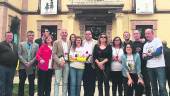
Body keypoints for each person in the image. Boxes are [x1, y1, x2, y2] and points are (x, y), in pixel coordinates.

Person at [143, 28, 168, 96]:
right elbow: (144, 57)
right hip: (149, 67)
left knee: (162, 86)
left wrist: (149, 54)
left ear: (152, 33)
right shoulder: (145, 45)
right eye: (146, 34)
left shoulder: (157, 40)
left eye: (148, 33)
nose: (147, 35)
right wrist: (153, 54)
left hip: (159, 66)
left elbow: (159, 52)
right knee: (153, 86)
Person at [18, 31, 39, 96]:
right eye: (30, 35)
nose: (31, 37)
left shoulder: (36, 45)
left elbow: (37, 55)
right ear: (27, 36)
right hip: (23, 66)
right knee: (21, 83)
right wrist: (25, 62)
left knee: (32, 83)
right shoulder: (21, 44)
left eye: (32, 35)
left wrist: (30, 62)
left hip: (31, 67)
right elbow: (19, 54)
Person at [133, 30, 151, 96]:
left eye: (137, 33)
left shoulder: (145, 43)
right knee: (137, 84)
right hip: (136, 67)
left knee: (147, 83)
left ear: (140, 35)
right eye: (134, 34)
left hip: (145, 66)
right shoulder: (132, 44)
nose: (136, 35)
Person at [0, 32, 18, 96]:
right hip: (3, 67)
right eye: (8, 36)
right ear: (5, 37)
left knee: (10, 83)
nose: (10, 37)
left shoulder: (15, 45)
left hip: (12, 68)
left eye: (11, 36)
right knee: (2, 83)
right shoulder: (1, 44)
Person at [53, 29, 69, 96]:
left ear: (67, 34)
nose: (64, 34)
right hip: (58, 64)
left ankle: (64, 94)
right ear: (60, 34)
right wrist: (60, 62)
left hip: (67, 64)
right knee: (57, 81)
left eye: (65, 32)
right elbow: (54, 54)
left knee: (65, 82)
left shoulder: (69, 42)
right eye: (63, 33)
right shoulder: (56, 42)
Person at [83, 30, 97, 96]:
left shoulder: (96, 42)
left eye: (89, 34)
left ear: (91, 35)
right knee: (85, 82)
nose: (88, 35)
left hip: (92, 65)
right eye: (86, 34)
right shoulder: (82, 42)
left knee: (92, 82)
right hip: (84, 65)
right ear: (85, 35)